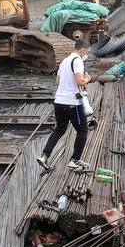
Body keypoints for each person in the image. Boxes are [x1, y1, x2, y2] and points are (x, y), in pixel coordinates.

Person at [38, 38, 92, 171]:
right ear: (83, 50)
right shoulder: (77, 61)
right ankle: (75, 160)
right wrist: (87, 79)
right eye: (88, 52)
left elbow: (58, 81)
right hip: (72, 103)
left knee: (60, 129)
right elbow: (80, 81)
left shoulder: (64, 61)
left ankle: (44, 155)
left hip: (59, 102)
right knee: (83, 130)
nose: (87, 55)